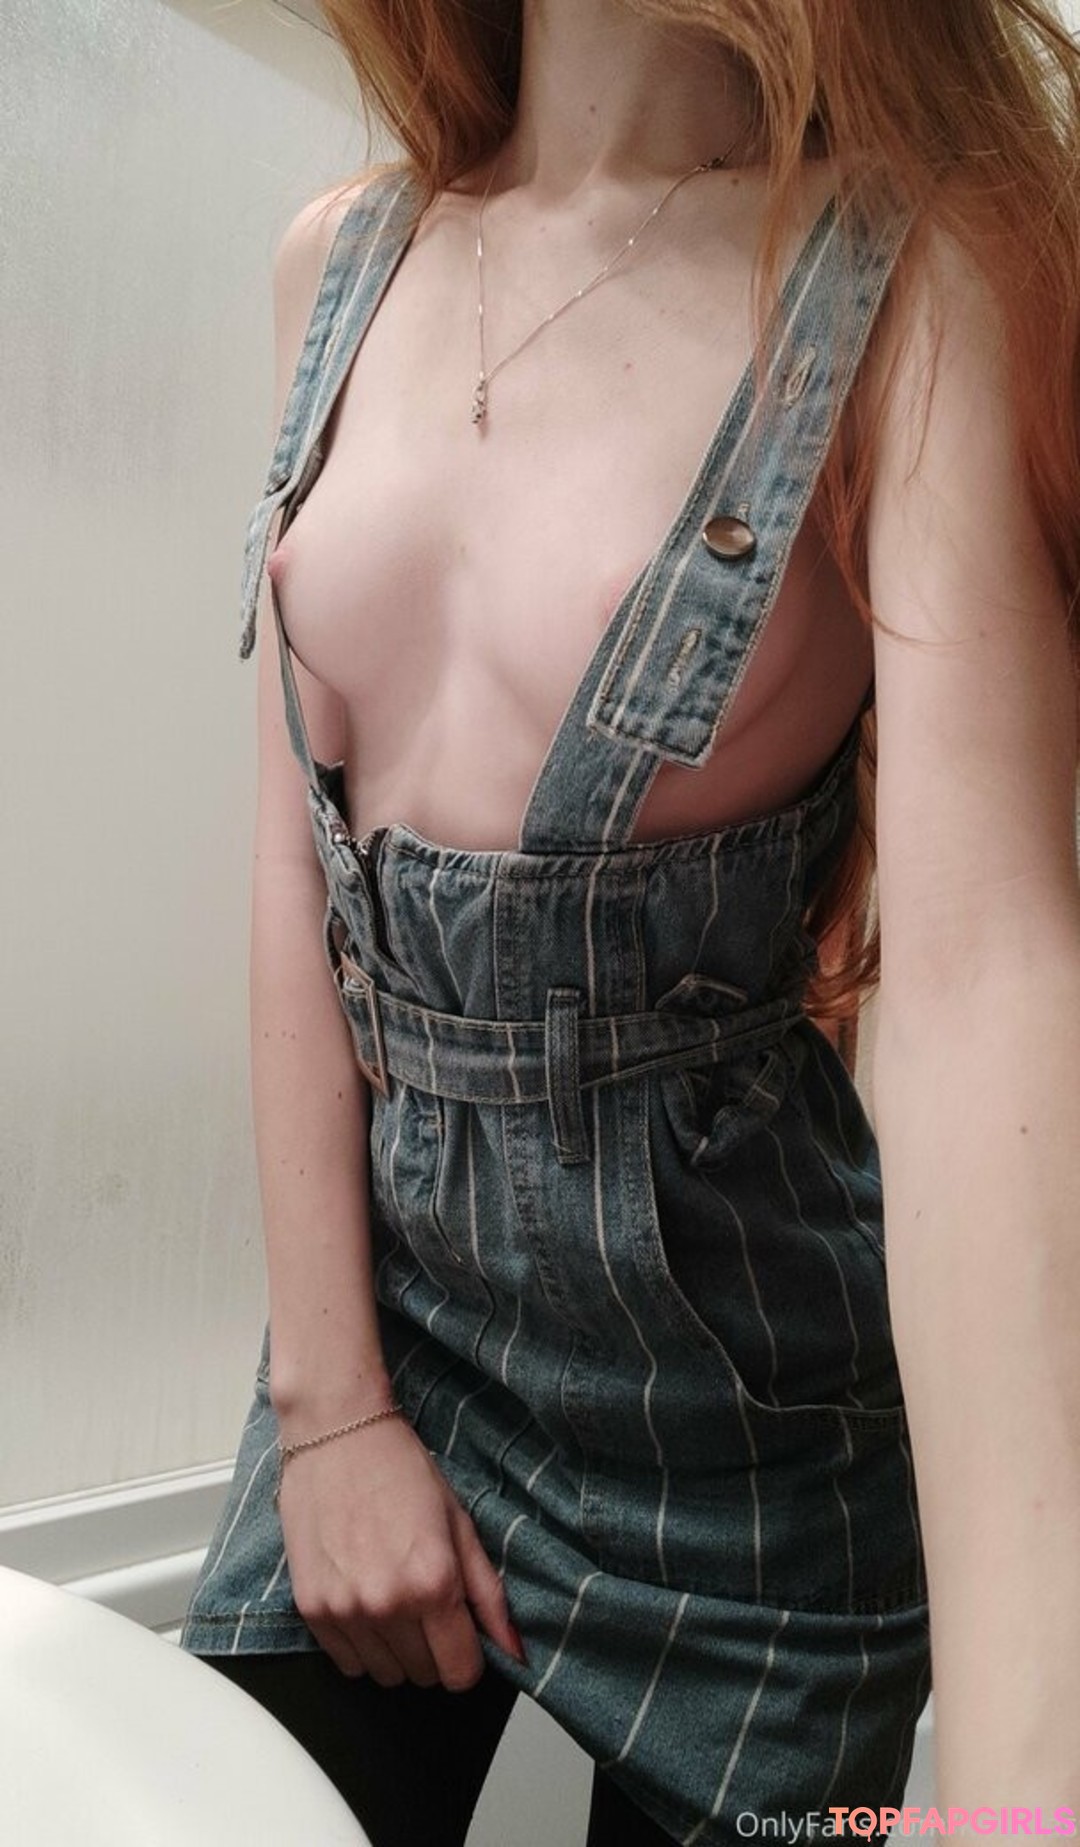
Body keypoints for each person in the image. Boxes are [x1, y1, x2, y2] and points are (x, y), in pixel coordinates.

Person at [179, 1, 1080, 1839]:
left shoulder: (913, 276)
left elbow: (988, 979)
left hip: (756, 1423)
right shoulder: (340, 261)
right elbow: (298, 870)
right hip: (397, 1341)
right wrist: (331, 1412)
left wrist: (1023, 1792)